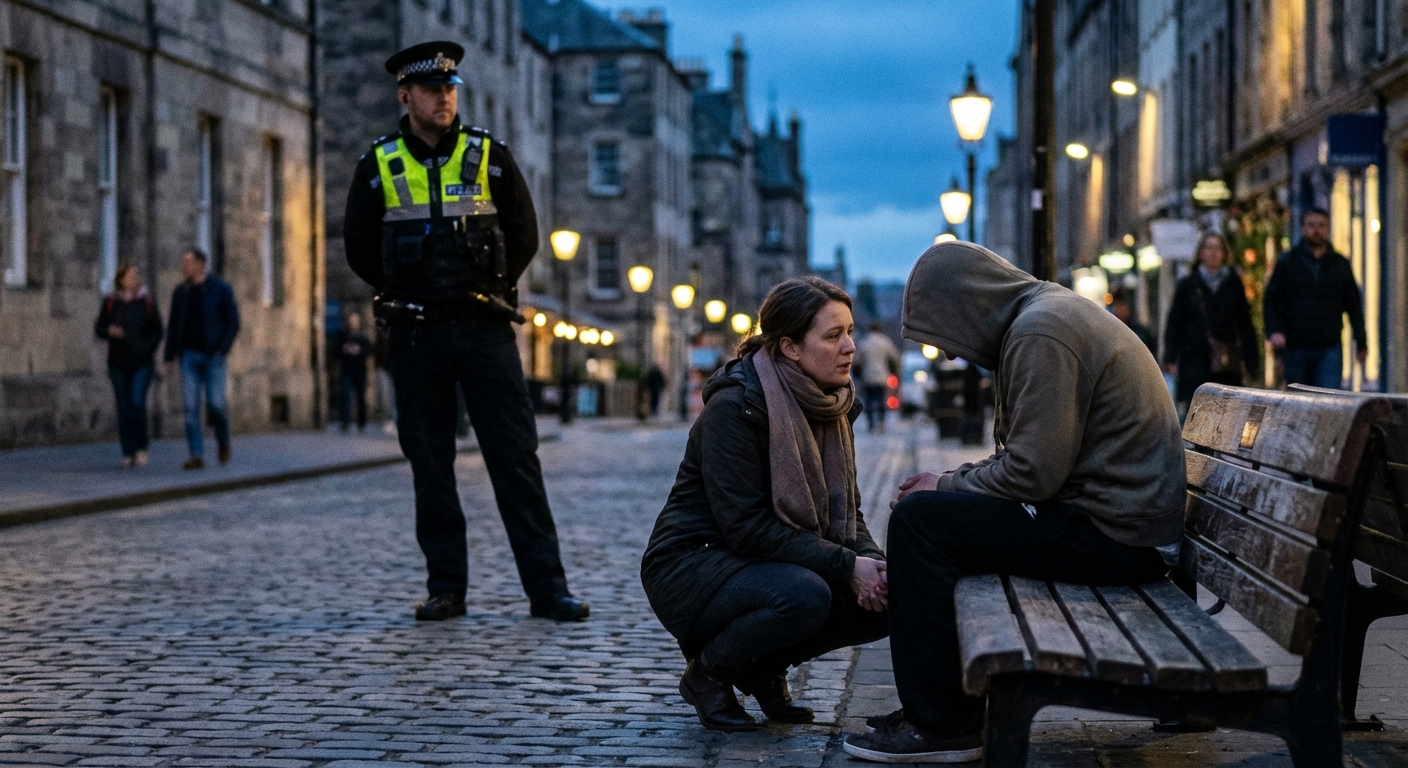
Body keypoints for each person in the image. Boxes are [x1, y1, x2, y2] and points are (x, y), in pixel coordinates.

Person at [842, 242, 1182, 763]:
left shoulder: (1041, 332)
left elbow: (1032, 473)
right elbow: (1031, 462)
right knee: (932, 514)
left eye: (945, 336)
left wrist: (947, 487)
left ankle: (940, 724)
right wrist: (952, 480)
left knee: (919, 525)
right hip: (1116, 521)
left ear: (968, 306)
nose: (951, 355)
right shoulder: (1040, 318)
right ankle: (944, 708)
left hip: (1115, 535)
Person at [343, 41, 587, 622]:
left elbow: (524, 234)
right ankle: (446, 587)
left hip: (484, 329)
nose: (445, 98)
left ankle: (547, 589)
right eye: (432, 90)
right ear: (406, 96)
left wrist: (488, 286)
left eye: (451, 89)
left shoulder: (489, 157)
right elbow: (358, 248)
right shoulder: (377, 164)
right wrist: (409, 290)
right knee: (430, 464)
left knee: (515, 459)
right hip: (415, 332)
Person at [641, 277, 890, 733]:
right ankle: (709, 674)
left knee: (892, 596)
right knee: (804, 595)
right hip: (695, 564)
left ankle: (759, 666)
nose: (850, 347)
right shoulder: (737, 406)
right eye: (833, 336)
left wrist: (871, 563)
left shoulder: (834, 405)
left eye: (849, 331)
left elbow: (848, 513)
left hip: (764, 561)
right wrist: (844, 565)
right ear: (790, 347)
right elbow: (746, 527)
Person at [1264, 207, 1367, 388]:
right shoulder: (1288, 263)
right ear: (1303, 229)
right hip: (1296, 345)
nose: (1316, 231)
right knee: (1299, 402)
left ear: (1327, 228)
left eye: (1321, 226)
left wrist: (1361, 341)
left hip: (1328, 345)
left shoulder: (1339, 264)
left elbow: (1353, 304)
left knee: (1327, 400)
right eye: (1311, 225)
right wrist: (1275, 331)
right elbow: (1272, 300)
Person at [1162, 232, 1259, 410]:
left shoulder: (1233, 283)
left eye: (1218, 248)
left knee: (1226, 409)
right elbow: (1175, 322)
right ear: (1200, 253)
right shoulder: (1188, 285)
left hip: (1226, 361)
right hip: (1194, 359)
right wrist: (1170, 356)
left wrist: (1251, 359)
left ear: (1224, 253)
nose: (1213, 253)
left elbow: (1245, 323)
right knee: (1198, 409)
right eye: (1209, 248)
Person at [163, 248, 239, 470]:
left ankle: (223, 440)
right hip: (189, 356)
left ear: (200, 264)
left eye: (187, 262)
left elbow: (233, 322)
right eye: (182, 262)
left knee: (216, 405)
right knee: (190, 407)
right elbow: (174, 326)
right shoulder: (181, 292)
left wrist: (222, 348)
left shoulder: (220, 289)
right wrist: (170, 355)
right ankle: (196, 453)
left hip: (214, 356)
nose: (183, 267)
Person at [94, 263, 164, 469]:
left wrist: (146, 348)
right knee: (123, 407)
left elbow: (158, 330)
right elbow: (99, 327)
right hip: (118, 362)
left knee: (136, 402)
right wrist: (109, 331)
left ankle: (141, 446)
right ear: (121, 280)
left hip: (141, 363)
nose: (135, 279)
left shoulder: (147, 302)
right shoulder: (111, 302)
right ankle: (128, 451)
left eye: (137, 275)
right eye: (130, 276)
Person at [854, 322, 899, 433]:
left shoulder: (864, 342)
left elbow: (858, 360)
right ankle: (881, 423)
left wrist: (858, 373)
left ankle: (871, 424)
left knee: (869, 400)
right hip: (882, 376)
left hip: (867, 377)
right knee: (881, 399)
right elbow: (894, 357)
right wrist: (893, 369)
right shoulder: (885, 342)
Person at [338, 312, 372, 432]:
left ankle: (361, 422)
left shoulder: (362, 337)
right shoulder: (343, 336)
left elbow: (369, 351)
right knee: (346, 397)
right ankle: (345, 422)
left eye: (355, 321)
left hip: (360, 371)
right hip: (347, 371)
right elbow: (336, 351)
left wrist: (358, 351)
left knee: (360, 397)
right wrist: (344, 350)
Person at [1110, 291, 1156, 360]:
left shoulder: (1141, 332)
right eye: (1118, 306)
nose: (1120, 310)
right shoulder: (1110, 333)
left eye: (1122, 306)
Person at [373, 325, 397, 434]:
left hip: (396, 368)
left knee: (395, 396)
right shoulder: (380, 333)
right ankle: (388, 420)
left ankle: (395, 421)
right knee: (385, 396)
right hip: (384, 368)